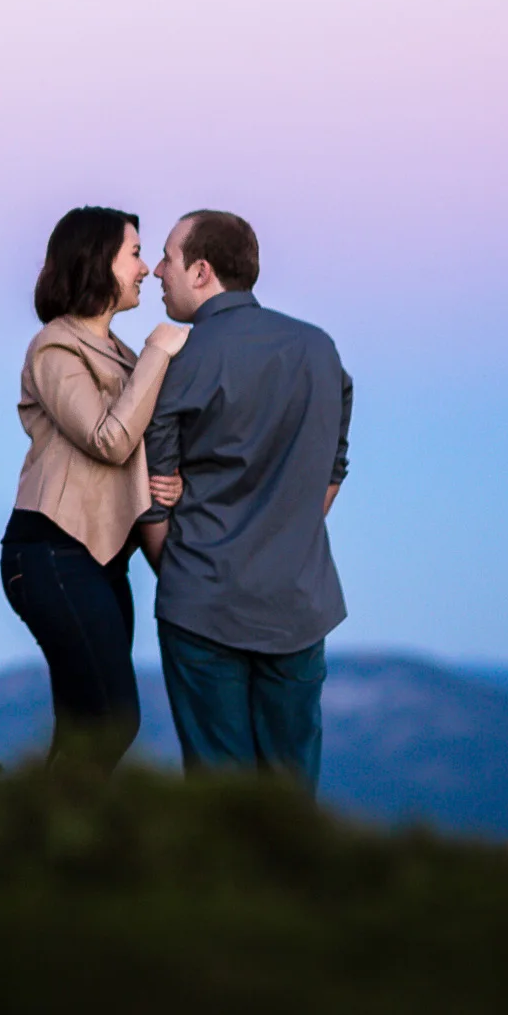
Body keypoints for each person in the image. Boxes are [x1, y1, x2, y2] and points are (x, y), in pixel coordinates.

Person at [141, 209, 352, 792]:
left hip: (203, 604)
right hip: (298, 601)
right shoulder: (320, 348)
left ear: (203, 271)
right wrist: (285, 535)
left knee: (218, 796)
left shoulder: (180, 359)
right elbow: (332, 470)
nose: (157, 271)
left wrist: (180, 571)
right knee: (291, 790)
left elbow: (151, 493)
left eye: (167, 259)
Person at [1, 206, 187, 772]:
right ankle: (32, 842)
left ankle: (35, 845)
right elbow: (108, 440)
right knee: (112, 719)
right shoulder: (55, 349)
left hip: (100, 558)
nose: (147, 269)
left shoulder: (120, 354)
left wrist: (167, 480)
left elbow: (134, 449)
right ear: (97, 261)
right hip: (52, 553)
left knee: (88, 727)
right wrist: (160, 350)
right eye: (134, 253)